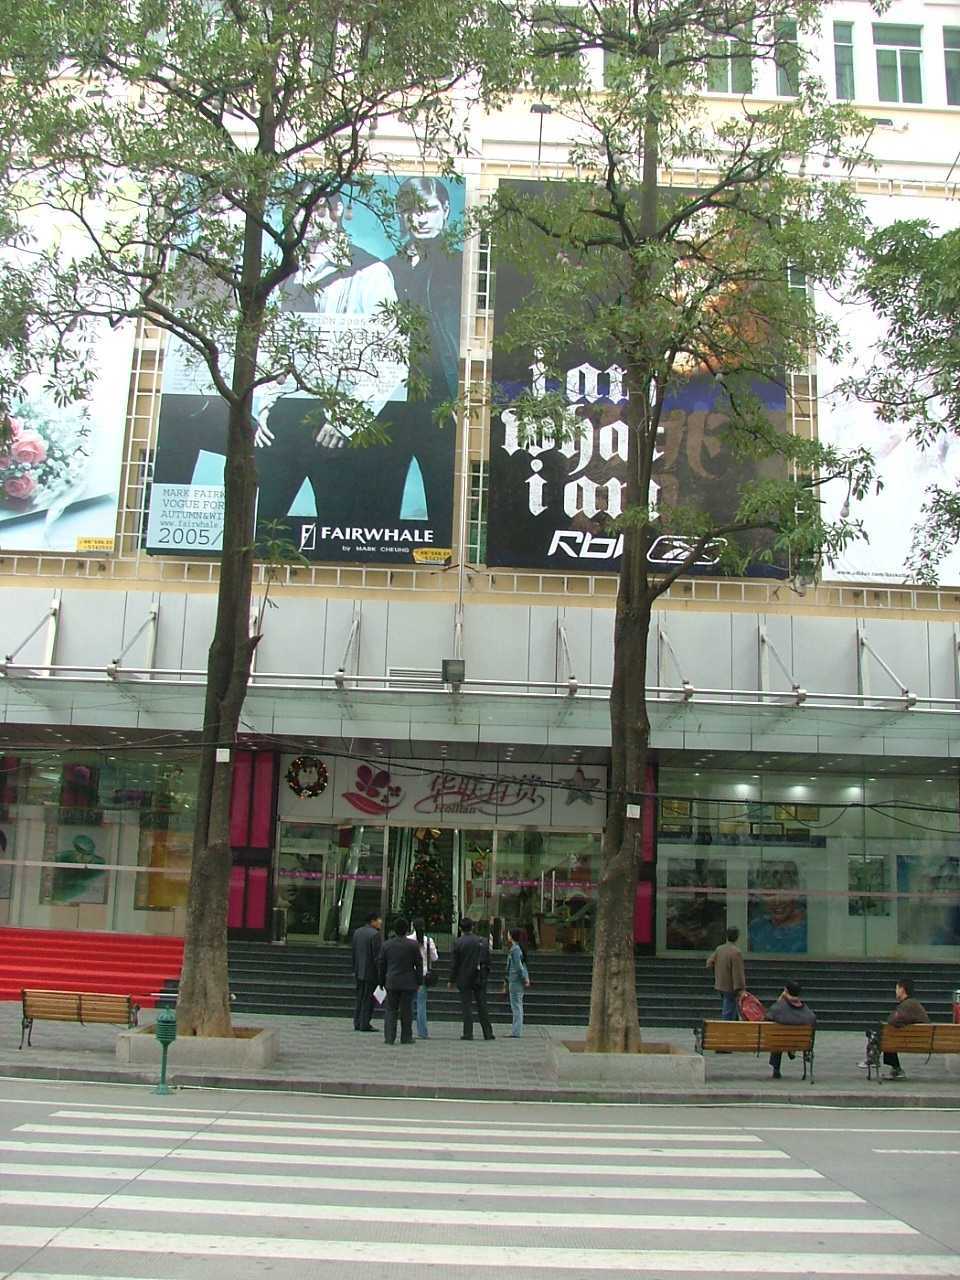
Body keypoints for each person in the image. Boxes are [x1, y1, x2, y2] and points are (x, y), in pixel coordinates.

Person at [385, 176, 462, 402]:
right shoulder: (387, 268)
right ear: (401, 214)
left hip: (442, 382)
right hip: (395, 383)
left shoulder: (461, 265)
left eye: (430, 209)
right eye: (411, 210)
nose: (421, 219)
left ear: (445, 210)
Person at [378, 915, 423, 1046]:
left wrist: (381, 981)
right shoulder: (413, 945)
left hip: (392, 981)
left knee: (391, 1010)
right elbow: (419, 964)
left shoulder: (386, 945)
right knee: (407, 1010)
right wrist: (419, 981)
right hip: (408, 982)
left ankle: (389, 1037)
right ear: (407, 930)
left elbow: (381, 964)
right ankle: (406, 1036)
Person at [449, 915, 495, 1041]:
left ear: (460, 928)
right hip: (479, 977)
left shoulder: (458, 943)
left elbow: (455, 964)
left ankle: (468, 1033)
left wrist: (451, 980)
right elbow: (488, 960)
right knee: (482, 1005)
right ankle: (488, 1032)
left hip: (464, 977)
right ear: (472, 927)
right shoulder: (483, 941)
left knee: (466, 1006)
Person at [765, 979, 816, 1080]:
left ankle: (776, 1069)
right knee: (784, 1035)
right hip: (800, 1042)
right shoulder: (807, 1013)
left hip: (780, 1041)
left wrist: (781, 998)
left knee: (777, 1036)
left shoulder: (779, 1008)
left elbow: (768, 1017)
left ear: (786, 991)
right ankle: (791, 1050)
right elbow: (813, 1020)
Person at [881, 978, 930, 1080]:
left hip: (916, 1041)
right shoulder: (913, 1003)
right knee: (888, 1035)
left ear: (902, 989)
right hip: (922, 1039)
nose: (895, 991)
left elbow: (891, 1020)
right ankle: (893, 1067)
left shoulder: (908, 1004)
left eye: (896, 988)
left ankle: (895, 1068)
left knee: (887, 1035)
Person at [407, 915, 439, 1040]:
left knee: (408, 1004)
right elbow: (435, 958)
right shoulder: (428, 941)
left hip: (410, 975)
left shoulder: (408, 940)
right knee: (421, 1005)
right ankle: (422, 1032)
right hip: (423, 976)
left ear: (412, 926)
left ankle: (407, 1030)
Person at [350, 911, 382, 1032]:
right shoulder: (375, 935)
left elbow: (354, 953)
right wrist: (381, 973)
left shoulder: (357, 932)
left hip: (359, 970)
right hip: (371, 972)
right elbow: (377, 957)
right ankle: (365, 1022)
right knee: (369, 998)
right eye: (378, 920)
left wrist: (355, 968)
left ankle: (357, 1021)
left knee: (360, 997)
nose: (380, 922)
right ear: (373, 921)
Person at [706, 926, 745, 1020]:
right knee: (729, 1008)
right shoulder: (736, 952)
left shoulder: (719, 949)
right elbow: (738, 972)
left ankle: (734, 1023)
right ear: (737, 937)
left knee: (731, 1006)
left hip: (720, 984)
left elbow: (709, 963)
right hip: (731, 986)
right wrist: (740, 987)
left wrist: (717, 972)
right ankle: (726, 1025)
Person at [503, 927, 531, 1038]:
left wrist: (524, 978)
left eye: (509, 934)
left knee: (516, 1006)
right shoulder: (517, 949)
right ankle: (516, 1030)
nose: (507, 936)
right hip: (516, 980)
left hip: (515, 981)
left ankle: (516, 1031)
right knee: (517, 1005)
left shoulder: (515, 950)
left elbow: (519, 967)